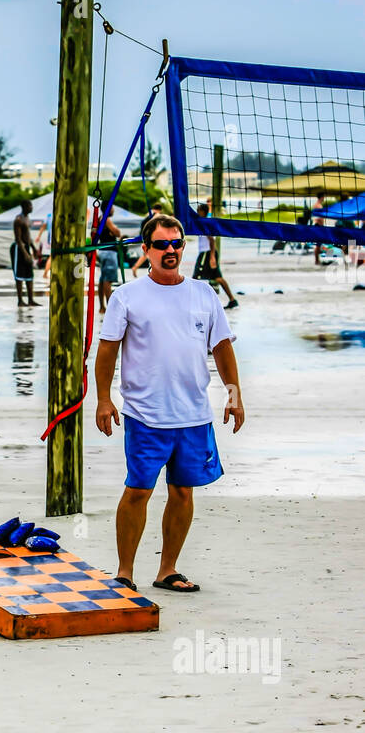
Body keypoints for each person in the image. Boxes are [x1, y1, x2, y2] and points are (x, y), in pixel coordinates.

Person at [95, 211, 245, 594]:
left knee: (182, 491)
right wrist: (103, 399)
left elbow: (222, 346)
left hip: (193, 414)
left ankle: (167, 570)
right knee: (139, 490)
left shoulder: (203, 293)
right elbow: (107, 351)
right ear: (146, 250)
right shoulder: (127, 296)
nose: (170, 250)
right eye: (161, 245)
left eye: (176, 243)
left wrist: (234, 392)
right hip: (145, 414)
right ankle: (125, 571)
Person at [192, 203, 238, 307]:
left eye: (198, 210)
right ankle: (232, 300)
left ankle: (195, 303)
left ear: (203, 212)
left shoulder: (205, 223)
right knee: (217, 278)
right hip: (207, 253)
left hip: (207, 253)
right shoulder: (203, 221)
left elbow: (212, 240)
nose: (197, 211)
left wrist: (212, 256)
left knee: (196, 278)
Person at [11, 199, 37, 306]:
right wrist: (25, 253)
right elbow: (18, 239)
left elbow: (28, 236)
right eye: (30, 206)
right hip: (19, 248)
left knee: (29, 275)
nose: (32, 207)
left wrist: (33, 248)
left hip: (26, 247)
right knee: (19, 276)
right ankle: (20, 300)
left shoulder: (27, 218)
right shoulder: (18, 220)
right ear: (25, 207)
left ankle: (31, 300)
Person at [96, 216, 124, 313]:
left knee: (103, 280)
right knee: (108, 280)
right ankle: (110, 307)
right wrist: (114, 231)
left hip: (102, 251)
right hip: (109, 252)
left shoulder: (100, 218)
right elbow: (117, 233)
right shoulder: (106, 218)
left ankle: (102, 307)